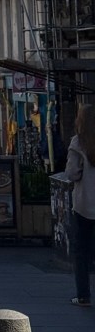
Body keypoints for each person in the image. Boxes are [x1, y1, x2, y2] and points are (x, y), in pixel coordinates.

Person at [64, 103, 95, 307]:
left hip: (85, 204)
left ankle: (83, 295)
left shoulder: (78, 142)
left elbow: (71, 173)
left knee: (81, 251)